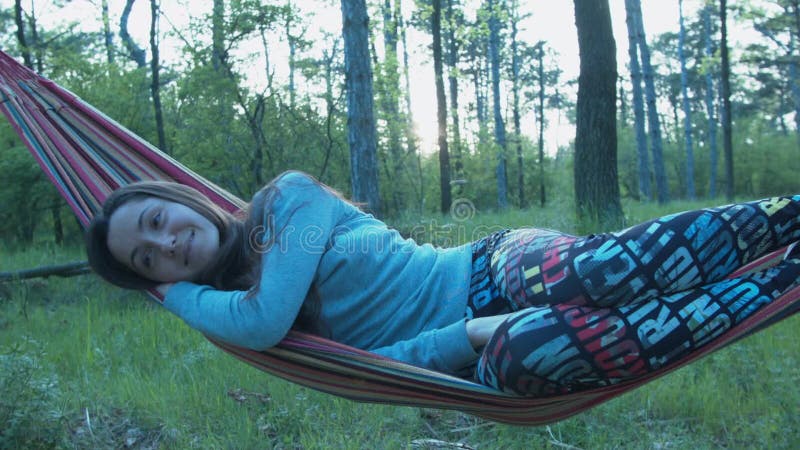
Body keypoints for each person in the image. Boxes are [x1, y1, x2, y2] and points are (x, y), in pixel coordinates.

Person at [86, 170, 800, 396]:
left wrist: (172, 295)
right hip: (479, 339)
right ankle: (781, 285)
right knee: (526, 357)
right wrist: (466, 335)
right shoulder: (231, 314)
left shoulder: (287, 206)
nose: (165, 242)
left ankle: (786, 222)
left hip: (492, 266)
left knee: (595, 272)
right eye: (148, 260)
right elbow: (371, 371)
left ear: (177, 197)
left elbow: (267, 317)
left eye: (156, 220)